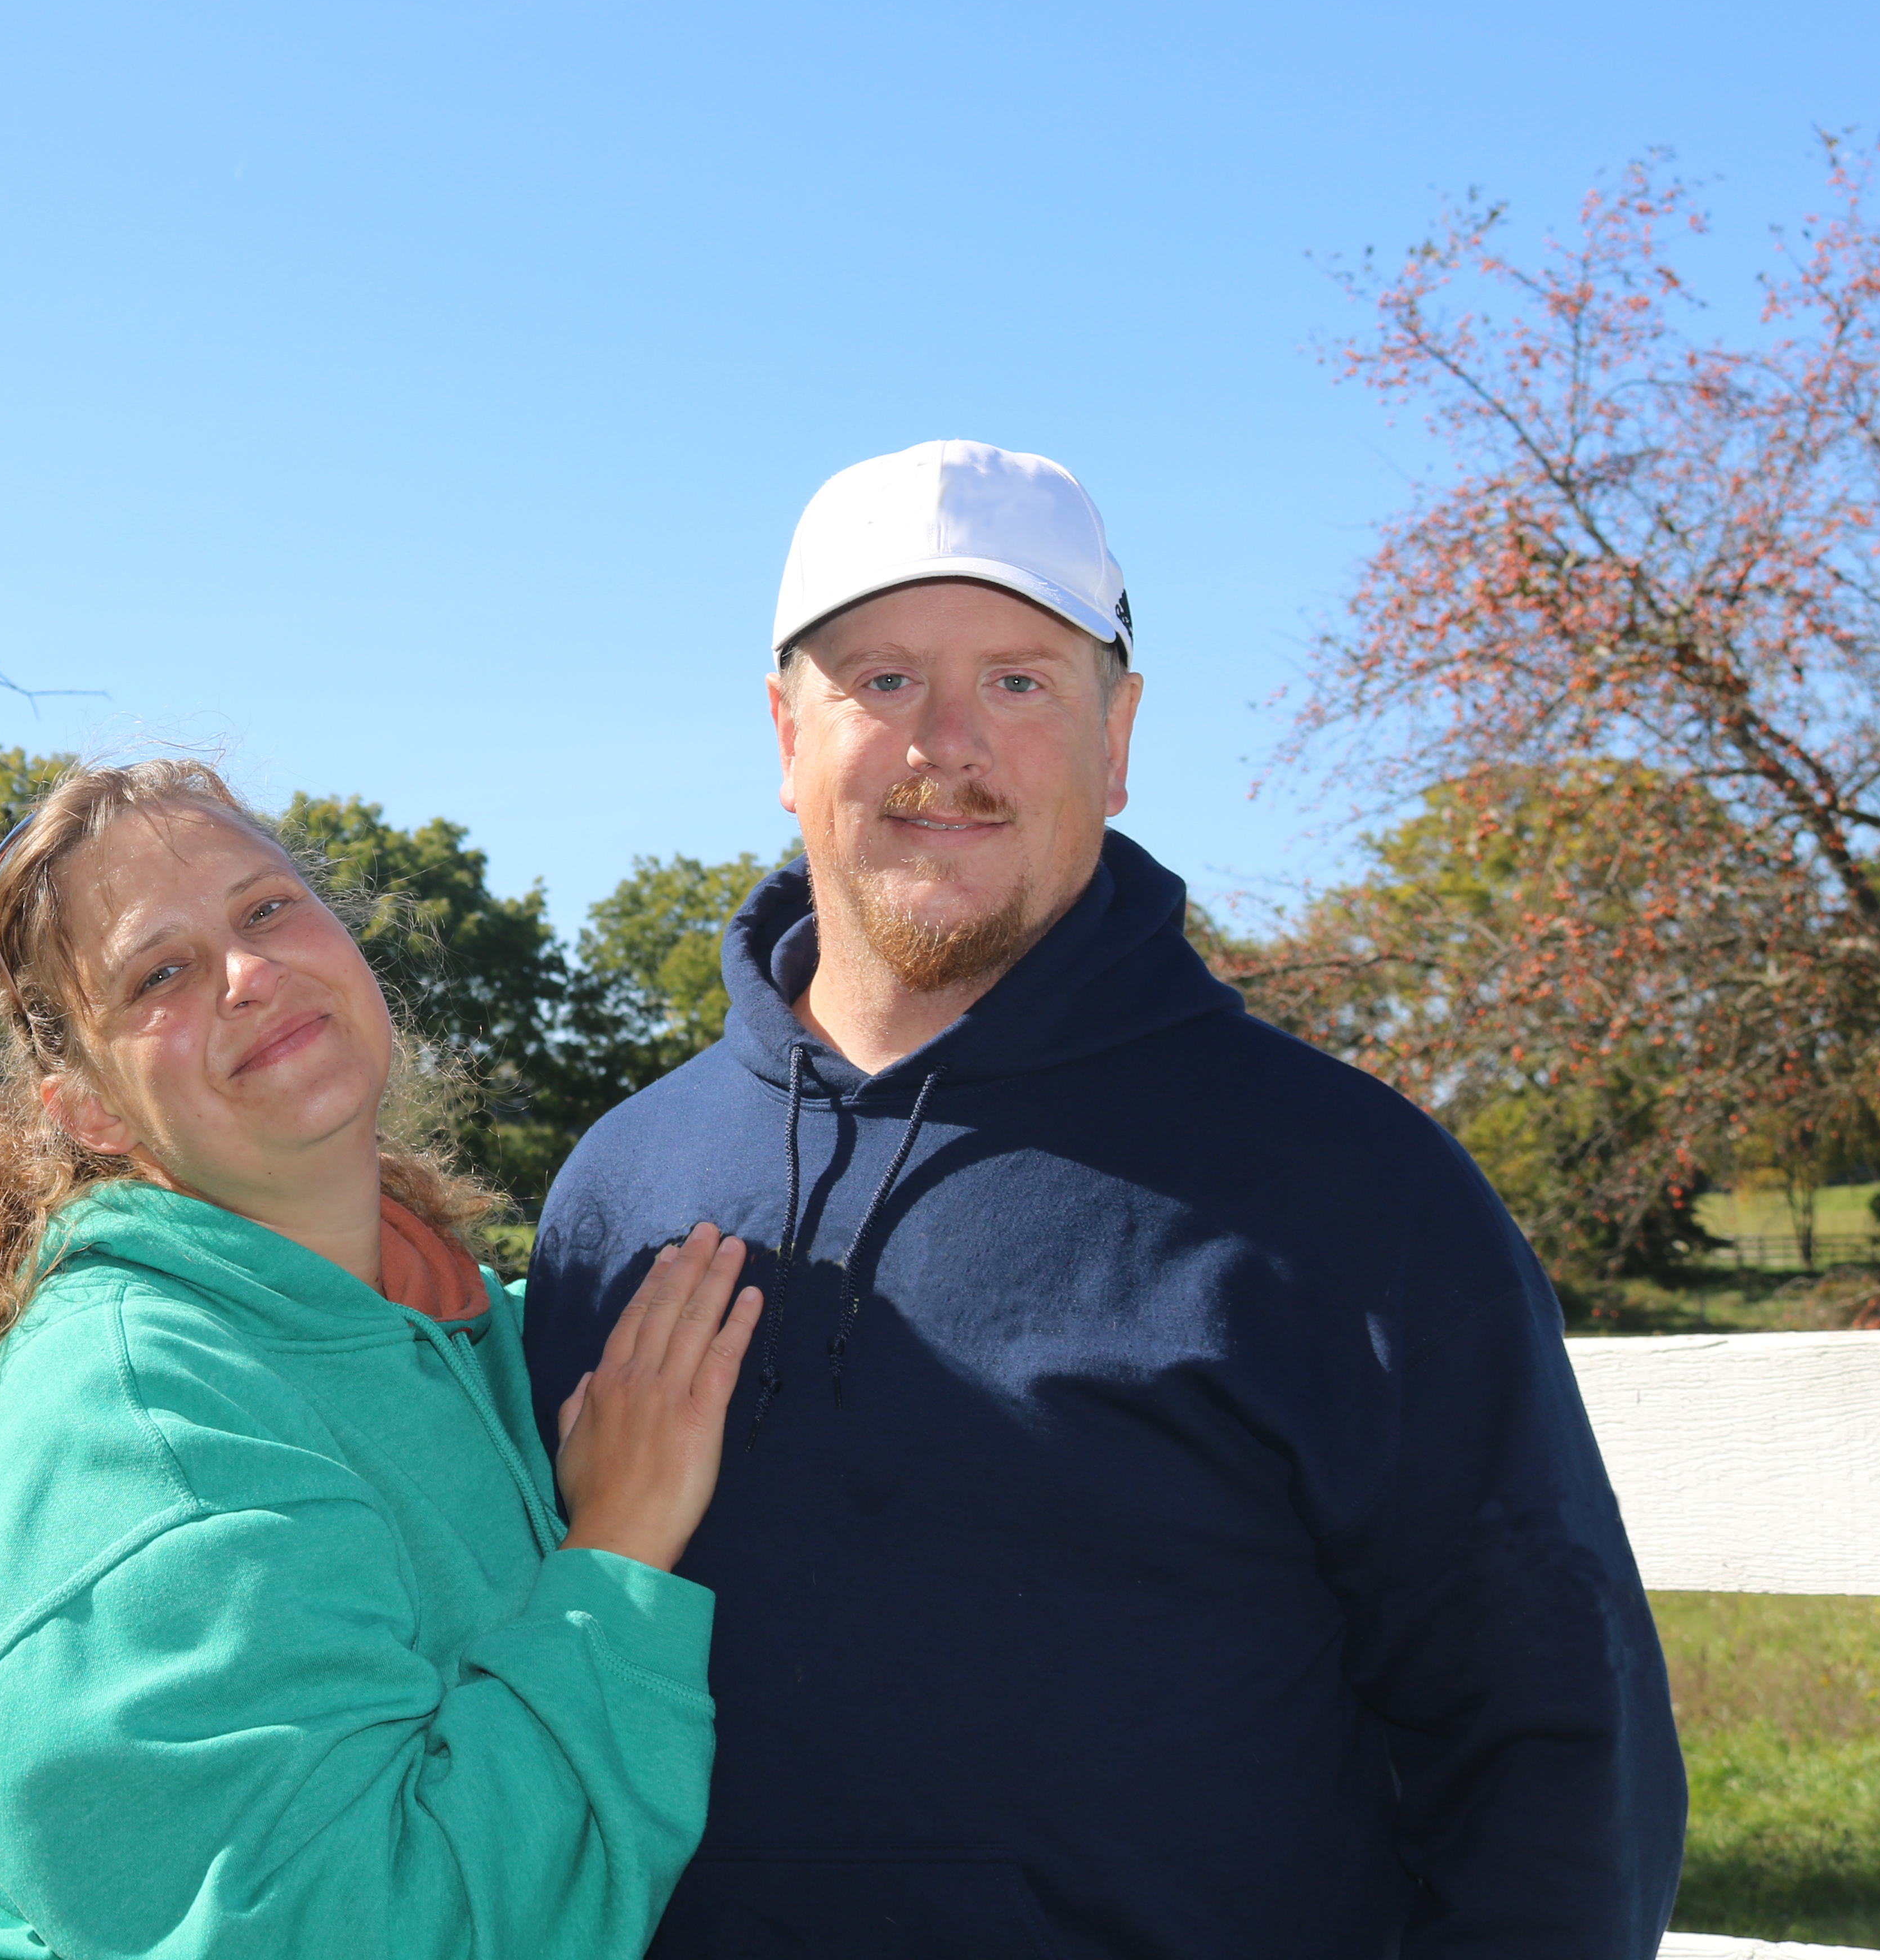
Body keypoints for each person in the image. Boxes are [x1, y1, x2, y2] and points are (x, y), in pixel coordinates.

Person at [524, 441, 1687, 1957]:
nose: (950, 744)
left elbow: (1557, 1757)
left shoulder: (1348, 1188)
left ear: (1118, 734)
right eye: (882, 680)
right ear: (783, 731)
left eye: (1020, 681)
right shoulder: (623, 1188)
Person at [0, 757, 763, 1959]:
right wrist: (618, 1550)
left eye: (267, 906)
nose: (249, 972)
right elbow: (346, 1924)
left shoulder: (463, 1329)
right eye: (156, 972)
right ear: (92, 1109)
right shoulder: (136, 1405)